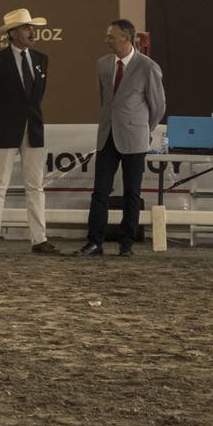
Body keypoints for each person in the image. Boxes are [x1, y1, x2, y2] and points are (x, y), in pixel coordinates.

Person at [77, 18, 167, 257]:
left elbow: (158, 106)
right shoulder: (103, 64)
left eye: (111, 36)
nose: (106, 40)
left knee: (132, 193)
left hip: (135, 137)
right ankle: (94, 241)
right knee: (100, 191)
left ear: (127, 38)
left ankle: (126, 244)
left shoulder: (148, 67)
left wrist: (143, 129)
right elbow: (104, 100)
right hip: (107, 136)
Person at [0, 8, 59, 255]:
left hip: (33, 129)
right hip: (5, 129)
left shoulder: (41, 59)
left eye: (31, 27)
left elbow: (35, 98)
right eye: (26, 28)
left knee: (35, 186)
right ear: (12, 33)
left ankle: (39, 239)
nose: (32, 32)